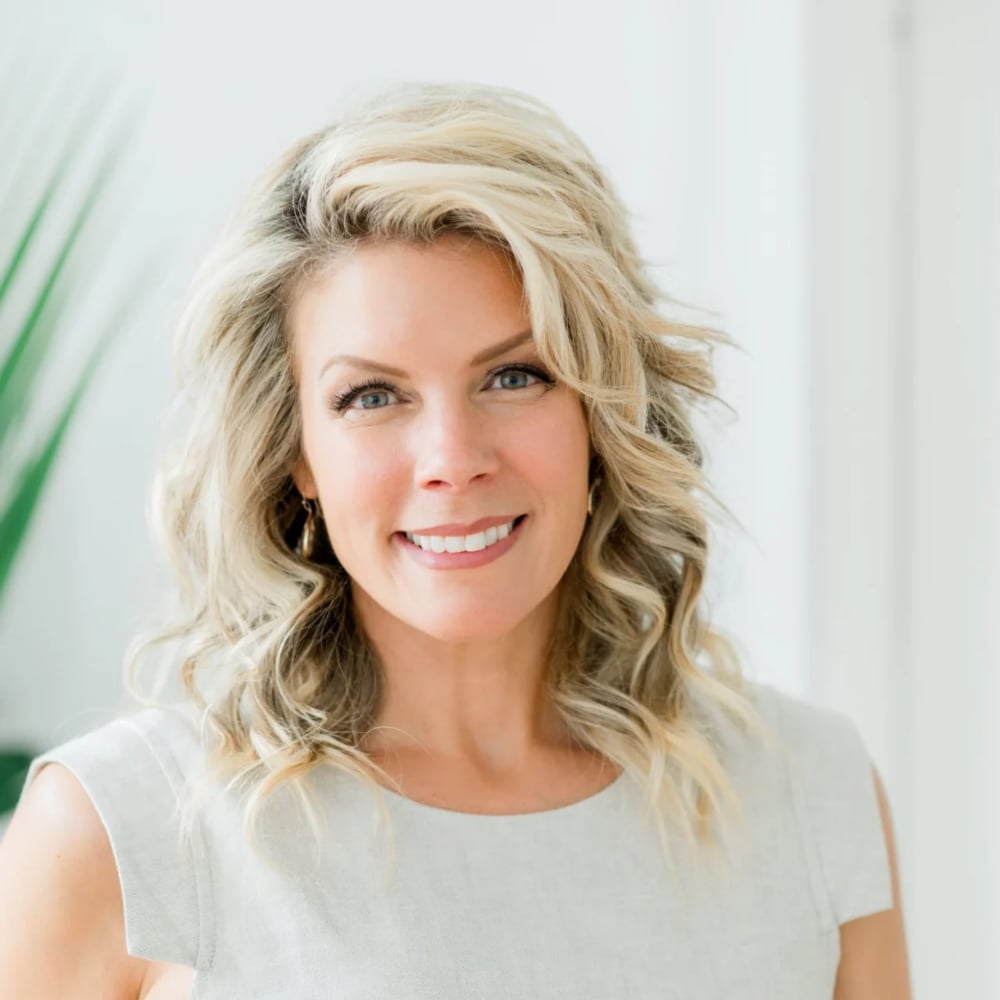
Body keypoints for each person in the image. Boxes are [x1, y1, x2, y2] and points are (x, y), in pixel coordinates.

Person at [0, 82, 910, 998]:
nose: (452, 460)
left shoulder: (809, 792)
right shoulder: (118, 834)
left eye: (514, 376)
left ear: (601, 410)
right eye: (372, 395)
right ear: (296, 454)